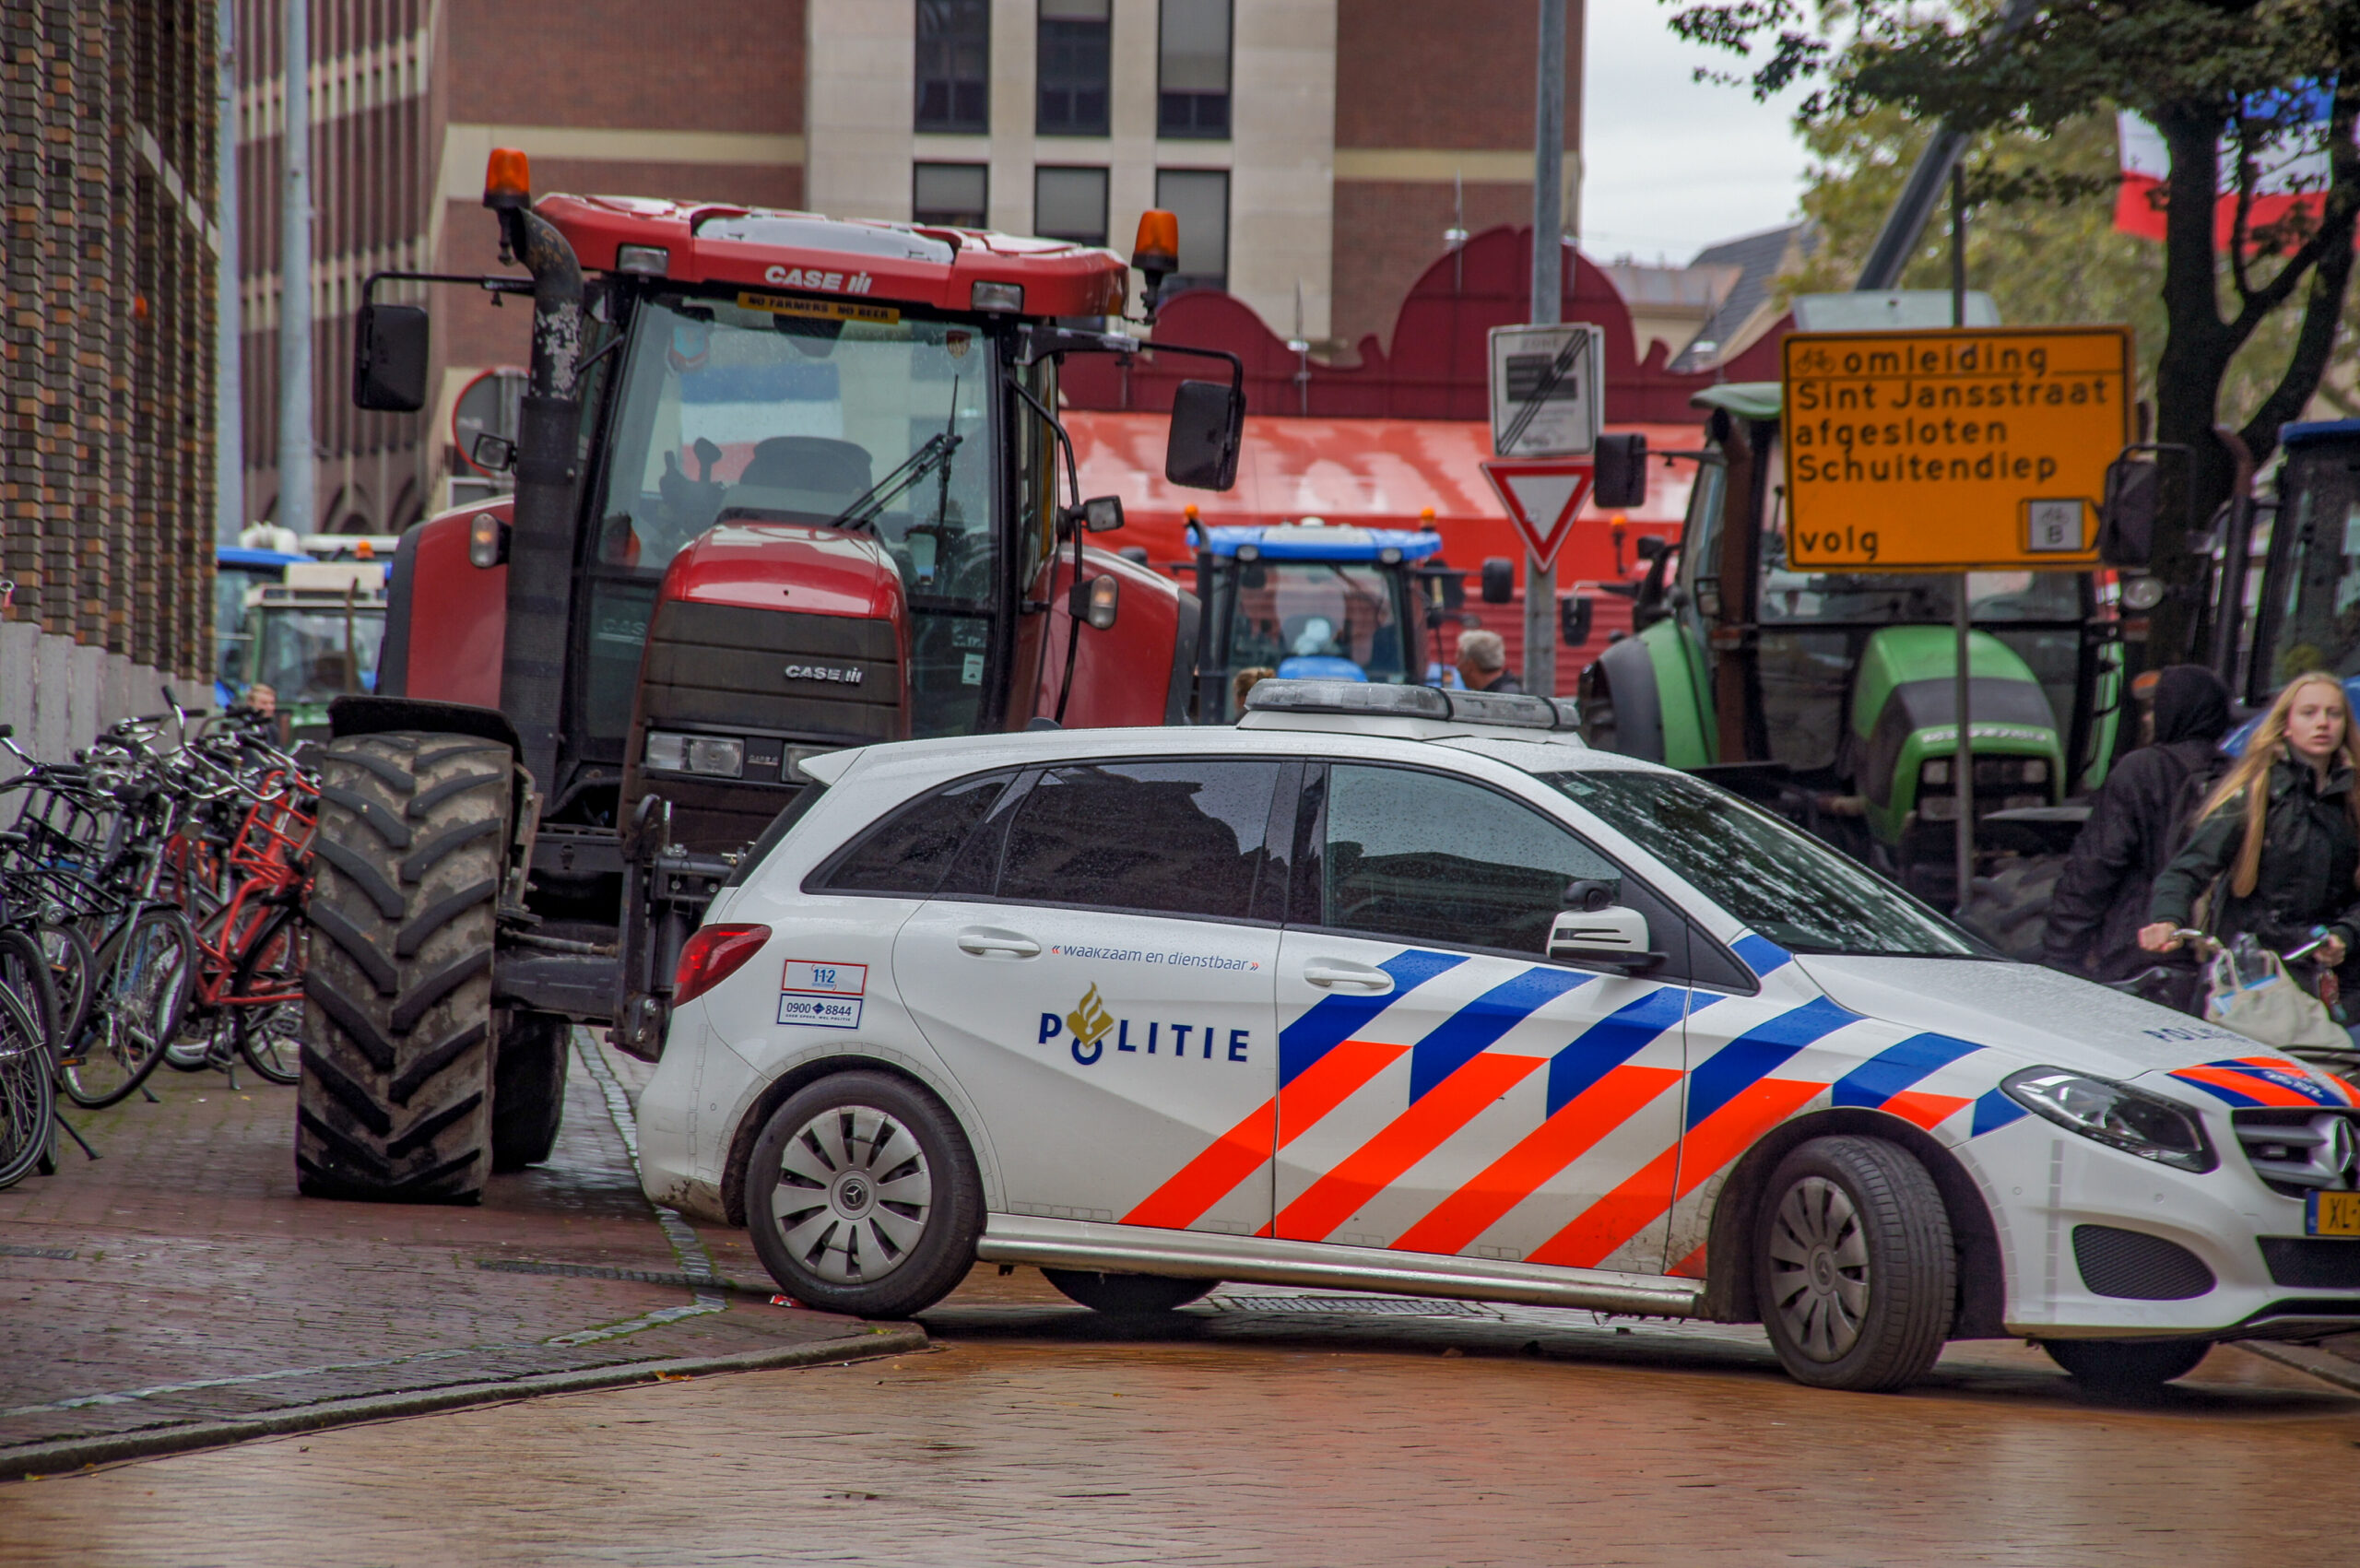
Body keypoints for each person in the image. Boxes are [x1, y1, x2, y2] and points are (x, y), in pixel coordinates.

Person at [2142, 673, 2360, 991]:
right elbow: (2188, 869)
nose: (2323, 723)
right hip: (2254, 974)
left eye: (2333, 713)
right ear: (2285, 724)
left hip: (2334, 980)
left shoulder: (2353, 801)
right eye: (2309, 713)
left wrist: (2345, 934)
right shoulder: (2254, 793)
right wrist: (2167, 920)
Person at [2042, 665, 2231, 989]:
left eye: (2154, 708)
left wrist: (2060, 953)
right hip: (2217, 949)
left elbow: (2095, 867)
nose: (2147, 718)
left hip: (2139, 947)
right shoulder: (2239, 775)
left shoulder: (2140, 770)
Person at [1456, 629, 1522, 695]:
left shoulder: (1502, 699)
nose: (1458, 667)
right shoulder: (1511, 693)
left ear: (1470, 665)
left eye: (1459, 660)